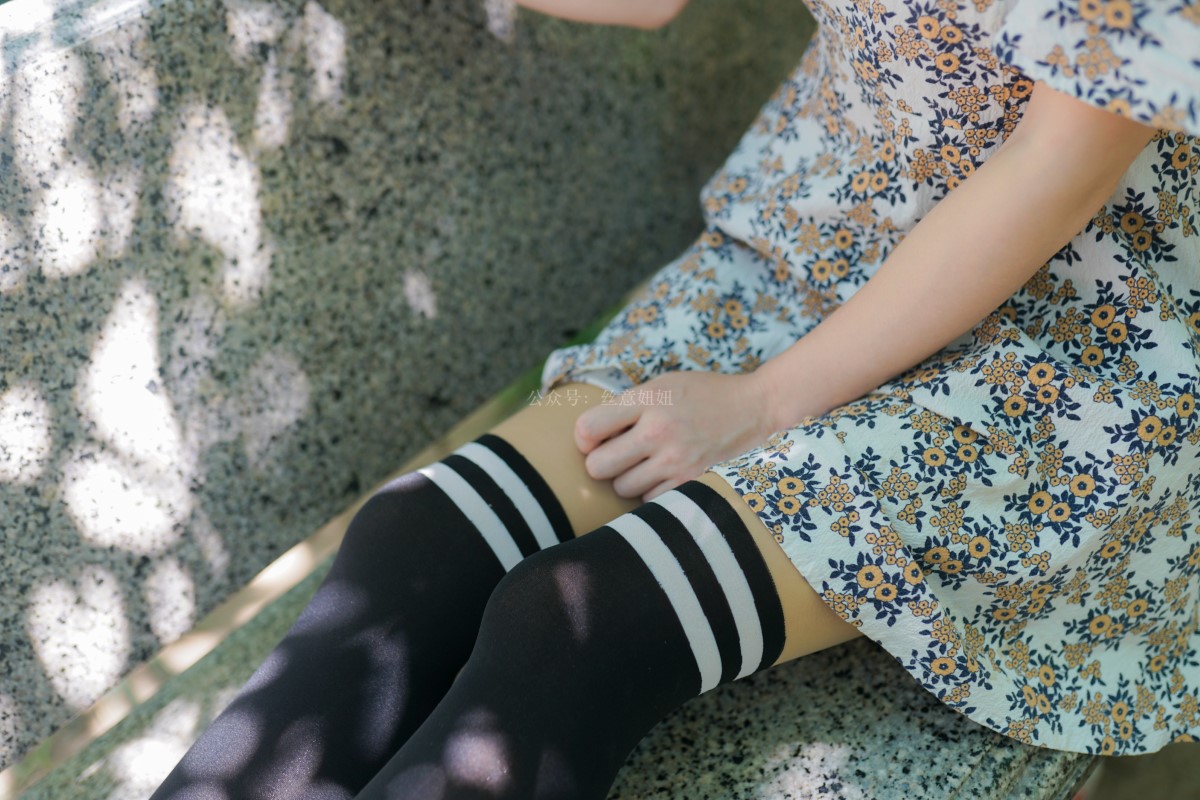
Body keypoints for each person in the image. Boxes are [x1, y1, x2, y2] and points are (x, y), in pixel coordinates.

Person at [150, 0, 1200, 798]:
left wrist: (767, 403)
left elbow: (1059, 164)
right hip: (814, 253)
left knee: (579, 623)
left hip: (1083, 348)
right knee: (417, 540)